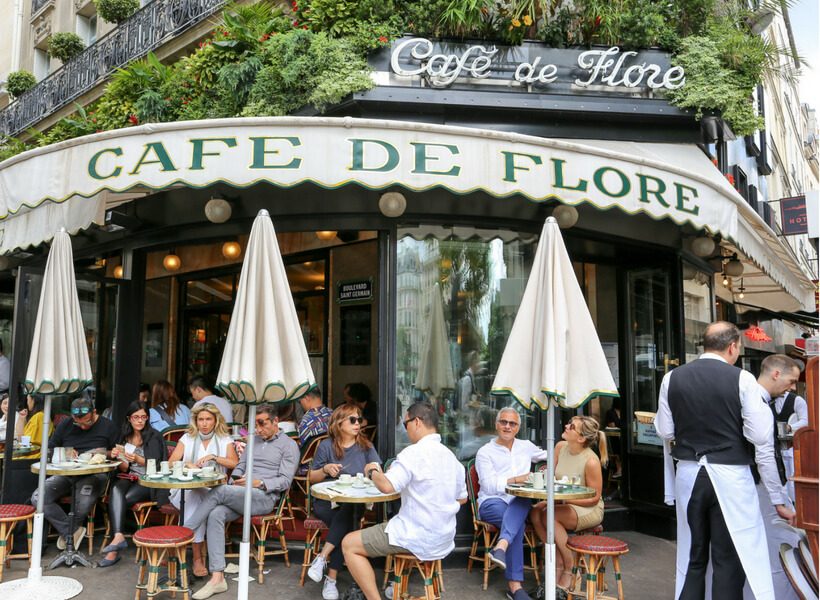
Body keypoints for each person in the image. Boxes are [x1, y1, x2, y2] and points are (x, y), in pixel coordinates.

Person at [654, 321, 792, 600]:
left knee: (693, 556)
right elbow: (760, 436)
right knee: (727, 559)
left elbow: (665, 431)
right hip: (731, 478)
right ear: (733, 347)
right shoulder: (742, 379)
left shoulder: (672, 377)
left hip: (690, 475)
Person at [341, 402, 468, 600]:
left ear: (416, 422)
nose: (406, 429)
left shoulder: (413, 453)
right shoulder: (452, 458)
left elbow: (386, 486)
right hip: (443, 537)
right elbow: (462, 498)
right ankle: (396, 587)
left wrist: (372, 470)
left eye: (406, 424)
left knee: (348, 544)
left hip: (416, 535)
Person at [185, 404, 299, 599]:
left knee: (219, 491)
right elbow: (240, 466)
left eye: (261, 423)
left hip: (264, 498)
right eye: (254, 424)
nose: (257, 429)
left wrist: (257, 482)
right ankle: (217, 578)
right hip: (241, 494)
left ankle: (184, 534)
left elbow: (285, 481)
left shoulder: (289, 445)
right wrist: (237, 479)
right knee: (216, 513)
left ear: (276, 421)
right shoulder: (253, 441)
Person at [742, 354, 801, 600]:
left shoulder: (752, 397)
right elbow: (764, 455)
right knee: (781, 543)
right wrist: (778, 500)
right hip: (758, 485)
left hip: (755, 484)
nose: (794, 387)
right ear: (776, 374)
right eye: (792, 380)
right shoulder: (755, 400)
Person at [307, 404, 381, 600]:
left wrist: (373, 470)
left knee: (350, 508)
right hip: (327, 501)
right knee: (347, 528)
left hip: (354, 503)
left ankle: (323, 559)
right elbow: (312, 478)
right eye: (352, 420)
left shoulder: (366, 446)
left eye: (359, 419)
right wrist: (325, 469)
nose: (358, 424)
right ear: (339, 423)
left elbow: (378, 470)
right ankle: (330, 578)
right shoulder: (326, 446)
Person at [476, 407, 548, 600]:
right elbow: (489, 485)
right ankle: (515, 588)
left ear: (518, 428)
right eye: (504, 422)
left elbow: (549, 456)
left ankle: (501, 546)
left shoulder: (526, 446)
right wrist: (518, 478)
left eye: (512, 423)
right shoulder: (485, 452)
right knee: (517, 523)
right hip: (492, 502)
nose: (507, 426)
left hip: (518, 501)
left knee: (522, 499)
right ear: (496, 424)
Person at [529, 416, 607, 592]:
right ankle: (557, 561)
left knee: (552, 516)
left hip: (588, 508)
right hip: (562, 502)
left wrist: (563, 499)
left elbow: (594, 498)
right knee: (535, 511)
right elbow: (551, 478)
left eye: (571, 426)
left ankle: (570, 568)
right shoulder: (560, 447)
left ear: (581, 438)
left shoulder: (591, 461)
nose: (566, 426)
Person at [32, 396, 119, 551]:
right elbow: (49, 449)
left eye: (86, 422)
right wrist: (64, 453)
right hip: (67, 473)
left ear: (94, 412)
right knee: (38, 497)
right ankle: (71, 531)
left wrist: (104, 453)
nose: (82, 427)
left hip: (95, 474)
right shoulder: (65, 424)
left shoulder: (108, 426)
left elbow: (118, 453)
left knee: (83, 501)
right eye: (77, 423)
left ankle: (68, 532)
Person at [167, 402, 239, 578]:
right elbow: (171, 463)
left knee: (199, 497)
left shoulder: (224, 440)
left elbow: (235, 463)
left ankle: (179, 545)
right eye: (201, 420)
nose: (204, 424)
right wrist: (186, 464)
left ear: (215, 421)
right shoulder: (187, 438)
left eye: (208, 419)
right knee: (196, 495)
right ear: (195, 421)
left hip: (214, 492)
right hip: (183, 491)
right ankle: (196, 558)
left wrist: (214, 457)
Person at [101, 400, 169, 567]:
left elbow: (158, 465)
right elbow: (125, 468)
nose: (140, 420)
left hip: (148, 481)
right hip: (129, 478)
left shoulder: (154, 436)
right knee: (116, 489)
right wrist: (119, 456)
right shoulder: (125, 437)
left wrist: (139, 459)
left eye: (143, 417)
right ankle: (118, 537)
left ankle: (114, 548)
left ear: (147, 418)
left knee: (123, 499)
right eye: (136, 417)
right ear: (129, 419)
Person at [772, 383, 808, 503]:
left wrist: (789, 427)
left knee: (792, 480)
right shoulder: (767, 399)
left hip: (791, 448)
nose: (793, 387)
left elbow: (805, 421)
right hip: (772, 449)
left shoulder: (797, 400)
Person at [14, 393, 54, 458]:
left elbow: (25, 442)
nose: (27, 402)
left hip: (32, 455)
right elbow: (22, 438)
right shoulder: (41, 416)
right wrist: (22, 419)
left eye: (28, 399)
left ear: (33, 400)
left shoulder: (39, 417)